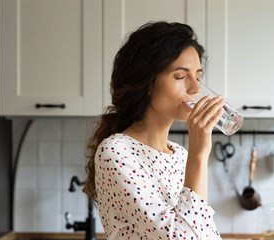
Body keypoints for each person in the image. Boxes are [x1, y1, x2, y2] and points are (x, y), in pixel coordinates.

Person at [83, 21, 223, 239]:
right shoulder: (116, 152)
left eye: (198, 76)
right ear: (146, 82)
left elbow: (204, 232)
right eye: (180, 76)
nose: (196, 88)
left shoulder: (180, 156)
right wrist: (199, 153)